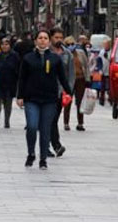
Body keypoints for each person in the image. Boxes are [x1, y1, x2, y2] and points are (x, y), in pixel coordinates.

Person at [17, 30, 72, 170]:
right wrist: (20, 96)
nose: (42, 40)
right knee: (32, 126)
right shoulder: (28, 58)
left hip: (49, 99)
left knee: (45, 128)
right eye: (40, 38)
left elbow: (62, 78)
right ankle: (31, 153)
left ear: (49, 41)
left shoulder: (55, 58)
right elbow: (22, 78)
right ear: (35, 41)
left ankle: (43, 159)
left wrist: (68, 92)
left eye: (45, 38)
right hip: (31, 99)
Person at [48, 28, 73, 157]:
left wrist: (69, 91)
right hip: (47, 91)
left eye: (60, 37)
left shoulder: (67, 54)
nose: (58, 40)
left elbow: (70, 75)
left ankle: (52, 145)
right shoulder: (46, 52)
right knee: (50, 119)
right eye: (56, 37)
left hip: (60, 92)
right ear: (51, 38)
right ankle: (55, 145)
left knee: (53, 119)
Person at [0, 37, 20, 129]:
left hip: (10, 83)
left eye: (6, 44)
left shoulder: (15, 56)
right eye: (2, 44)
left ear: (10, 46)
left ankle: (7, 121)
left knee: (8, 104)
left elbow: (19, 69)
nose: (4, 46)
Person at [63, 36, 90, 131]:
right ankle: (66, 123)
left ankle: (80, 123)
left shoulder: (81, 53)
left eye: (72, 44)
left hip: (80, 79)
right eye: (68, 44)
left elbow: (86, 66)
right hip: (69, 81)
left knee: (80, 102)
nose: (71, 46)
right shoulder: (64, 54)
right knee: (67, 102)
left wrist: (88, 79)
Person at [95, 37, 112, 105]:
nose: (105, 46)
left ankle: (110, 99)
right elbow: (98, 61)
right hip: (103, 71)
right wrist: (99, 69)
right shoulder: (101, 52)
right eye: (104, 44)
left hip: (110, 71)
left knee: (110, 86)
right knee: (102, 86)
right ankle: (102, 99)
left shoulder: (112, 51)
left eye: (107, 44)